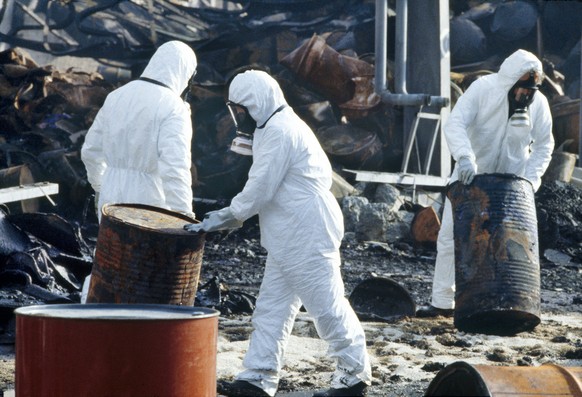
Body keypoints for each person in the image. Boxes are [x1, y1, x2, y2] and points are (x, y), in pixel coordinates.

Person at [184, 70, 371, 397]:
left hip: (306, 231)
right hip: (291, 235)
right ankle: (257, 378)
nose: (238, 117)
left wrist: (224, 217)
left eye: (240, 110)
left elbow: (260, 189)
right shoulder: (276, 126)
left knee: (326, 306)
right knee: (271, 309)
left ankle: (354, 376)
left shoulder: (281, 131)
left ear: (253, 104)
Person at [416, 49, 554, 318]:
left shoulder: (539, 105)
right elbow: (455, 123)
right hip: (471, 177)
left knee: (505, 244)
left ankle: (502, 302)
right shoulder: (483, 89)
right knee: (450, 238)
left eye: (532, 88)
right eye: (523, 87)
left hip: (510, 185)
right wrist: (465, 158)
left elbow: (545, 145)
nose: (527, 94)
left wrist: (530, 180)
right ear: (510, 81)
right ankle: (443, 302)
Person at [80, 40, 197, 302]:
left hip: (112, 195)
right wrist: (183, 217)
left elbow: (90, 151)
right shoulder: (173, 107)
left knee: (107, 267)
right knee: (148, 275)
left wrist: (100, 187)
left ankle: (92, 323)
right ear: (182, 72)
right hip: (150, 200)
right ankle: (138, 334)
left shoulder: (116, 96)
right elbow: (175, 167)